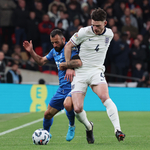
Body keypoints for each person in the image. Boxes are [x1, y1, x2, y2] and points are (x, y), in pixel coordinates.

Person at [63, 8, 125, 143]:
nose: (95, 28)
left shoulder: (110, 34)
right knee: (77, 108)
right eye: (93, 25)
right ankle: (88, 126)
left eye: (98, 25)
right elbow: (68, 46)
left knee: (105, 97)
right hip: (80, 72)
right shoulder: (84, 32)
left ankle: (118, 130)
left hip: (96, 71)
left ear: (105, 23)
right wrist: (68, 66)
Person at [23, 29, 81, 141]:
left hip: (73, 86)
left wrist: (69, 66)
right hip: (62, 89)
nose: (54, 45)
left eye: (57, 42)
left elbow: (79, 61)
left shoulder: (70, 48)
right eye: (52, 43)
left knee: (68, 105)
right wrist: (31, 51)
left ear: (63, 39)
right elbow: (41, 61)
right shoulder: (54, 51)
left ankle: (71, 126)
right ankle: (46, 134)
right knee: (47, 114)